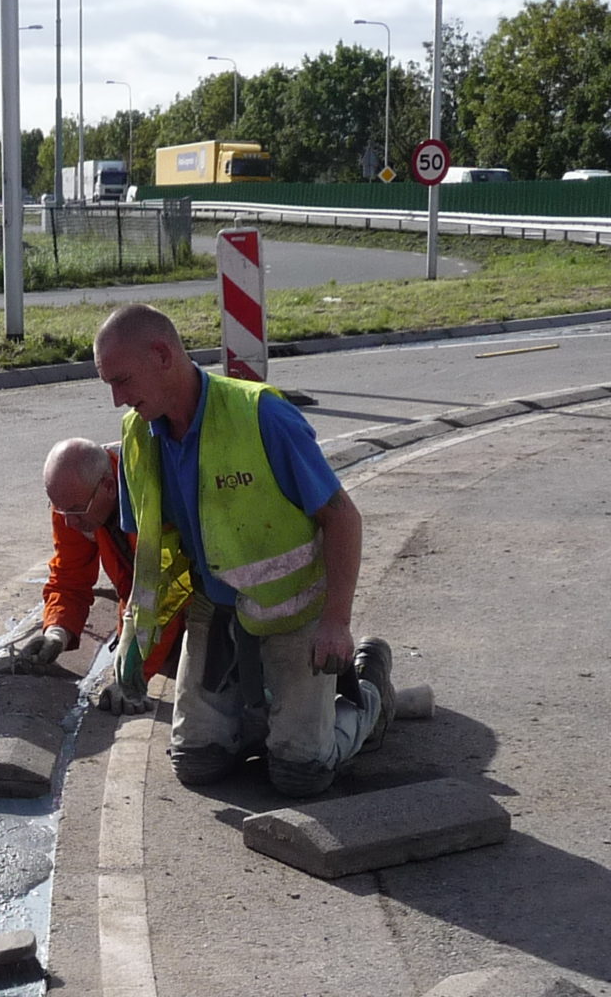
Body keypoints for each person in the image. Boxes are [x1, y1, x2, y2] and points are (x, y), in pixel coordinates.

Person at [90, 304, 394, 794]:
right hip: (216, 610)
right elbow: (150, 561)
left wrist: (336, 622)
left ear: (163, 355)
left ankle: (370, 692)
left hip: (294, 609)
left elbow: (342, 518)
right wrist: (133, 645)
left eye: (122, 380)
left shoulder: (260, 415)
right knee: (196, 763)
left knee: (301, 773)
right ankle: (269, 720)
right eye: (109, 383)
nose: (116, 399)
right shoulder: (137, 436)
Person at [5, 435, 183, 681]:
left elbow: (164, 593)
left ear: (109, 487)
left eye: (75, 511)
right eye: (60, 510)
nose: (69, 522)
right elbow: (70, 577)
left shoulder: (153, 492)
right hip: (148, 608)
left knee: (203, 678)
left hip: (198, 602)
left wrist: (133, 676)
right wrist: (57, 633)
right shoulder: (73, 502)